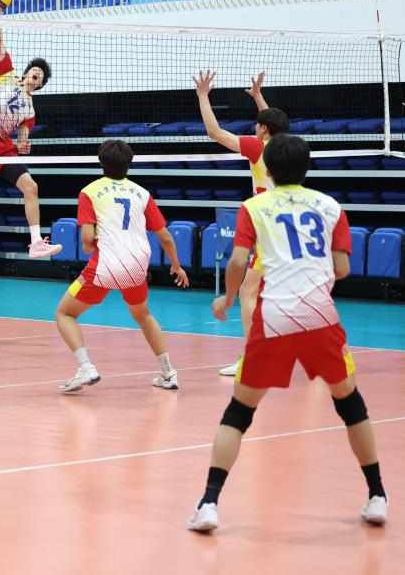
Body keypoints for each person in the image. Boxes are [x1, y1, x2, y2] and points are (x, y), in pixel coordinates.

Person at [188, 133, 387, 532]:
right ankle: (377, 496)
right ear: (305, 166)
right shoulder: (330, 207)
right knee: (351, 405)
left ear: (269, 169)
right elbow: (343, 268)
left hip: (275, 317)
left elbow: (238, 262)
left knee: (239, 412)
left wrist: (228, 299)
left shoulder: (254, 206)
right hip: (319, 318)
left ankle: (209, 503)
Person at [55, 140, 189, 393]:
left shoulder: (90, 191)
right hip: (137, 264)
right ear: (129, 163)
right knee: (143, 315)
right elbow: (165, 236)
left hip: (106, 265)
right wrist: (177, 266)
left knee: (65, 314)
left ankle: (86, 367)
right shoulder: (142, 193)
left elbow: (87, 240)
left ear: (101, 162)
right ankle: (169, 372)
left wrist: (88, 245)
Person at [194, 70, 289, 377]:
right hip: (292, 226)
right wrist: (259, 97)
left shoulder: (257, 147)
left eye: (258, 124)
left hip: (270, 229)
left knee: (248, 293)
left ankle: (253, 358)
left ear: (262, 130)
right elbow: (273, 123)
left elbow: (215, 132)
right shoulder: (289, 146)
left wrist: (203, 97)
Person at [0, 16, 60, 272]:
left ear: (39, 84)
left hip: (3, 146)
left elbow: (22, 141)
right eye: (35, 70)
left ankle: (36, 243)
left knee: (31, 187)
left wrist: (24, 146)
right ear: (27, 73)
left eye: (40, 76)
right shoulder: (8, 75)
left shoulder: (30, 112)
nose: (37, 74)